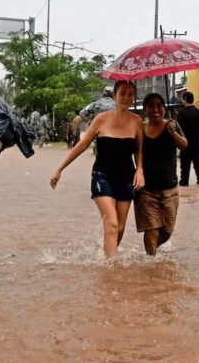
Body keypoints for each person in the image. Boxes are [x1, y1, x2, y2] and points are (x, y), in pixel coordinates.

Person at [50, 80, 144, 260]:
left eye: (130, 94)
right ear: (115, 96)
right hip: (102, 176)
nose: (126, 97)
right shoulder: (101, 119)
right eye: (122, 93)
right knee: (112, 223)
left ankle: (106, 255)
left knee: (121, 227)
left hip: (126, 177)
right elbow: (82, 145)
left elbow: (140, 148)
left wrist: (140, 170)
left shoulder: (137, 121)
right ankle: (111, 269)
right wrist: (60, 169)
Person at [135, 93, 188, 256]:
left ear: (164, 108)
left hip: (170, 190)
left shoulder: (172, 125)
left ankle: (148, 254)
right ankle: (151, 267)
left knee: (167, 231)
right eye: (151, 106)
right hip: (146, 191)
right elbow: (136, 153)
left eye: (159, 105)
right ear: (145, 110)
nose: (156, 109)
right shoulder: (140, 130)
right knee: (151, 229)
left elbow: (184, 145)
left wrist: (173, 133)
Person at [177, 91, 199, 186]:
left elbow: (178, 131)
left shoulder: (181, 114)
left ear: (185, 99)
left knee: (185, 167)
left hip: (185, 144)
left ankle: (184, 182)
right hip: (197, 143)